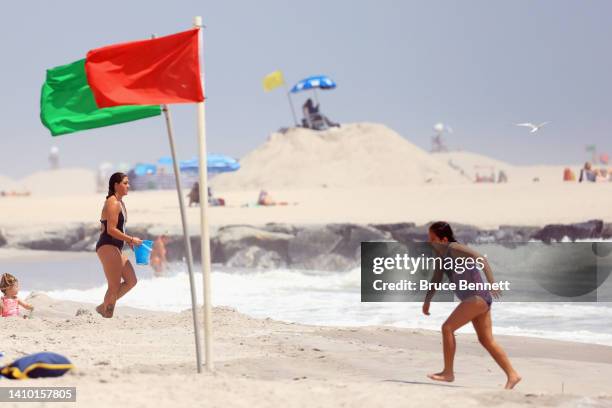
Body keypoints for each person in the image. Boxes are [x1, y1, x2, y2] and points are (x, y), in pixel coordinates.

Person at [423, 221, 521, 390]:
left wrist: (492, 283)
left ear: (444, 239)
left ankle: (448, 373)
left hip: (477, 297)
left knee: (447, 328)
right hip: (477, 299)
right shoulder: (440, 255)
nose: (428, 242)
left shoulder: (454, 248)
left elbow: (481, 259)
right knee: (486, 340)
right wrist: (427, 300)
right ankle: (513, 375)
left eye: (432, 238)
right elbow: (436, 279)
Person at [95, 172, 142, 318]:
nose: (129, 186)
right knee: (114, 285)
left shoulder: (120, 203)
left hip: (115, 247)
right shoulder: (112, 202)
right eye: (125, 183)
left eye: (128, 183)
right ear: (116, 185)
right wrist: (131, 239)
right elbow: (111, 229)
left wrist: (128, 241)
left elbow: (118, 228)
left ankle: (103, 308)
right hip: (107, 246)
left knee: (131, 280)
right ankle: (107, 315)